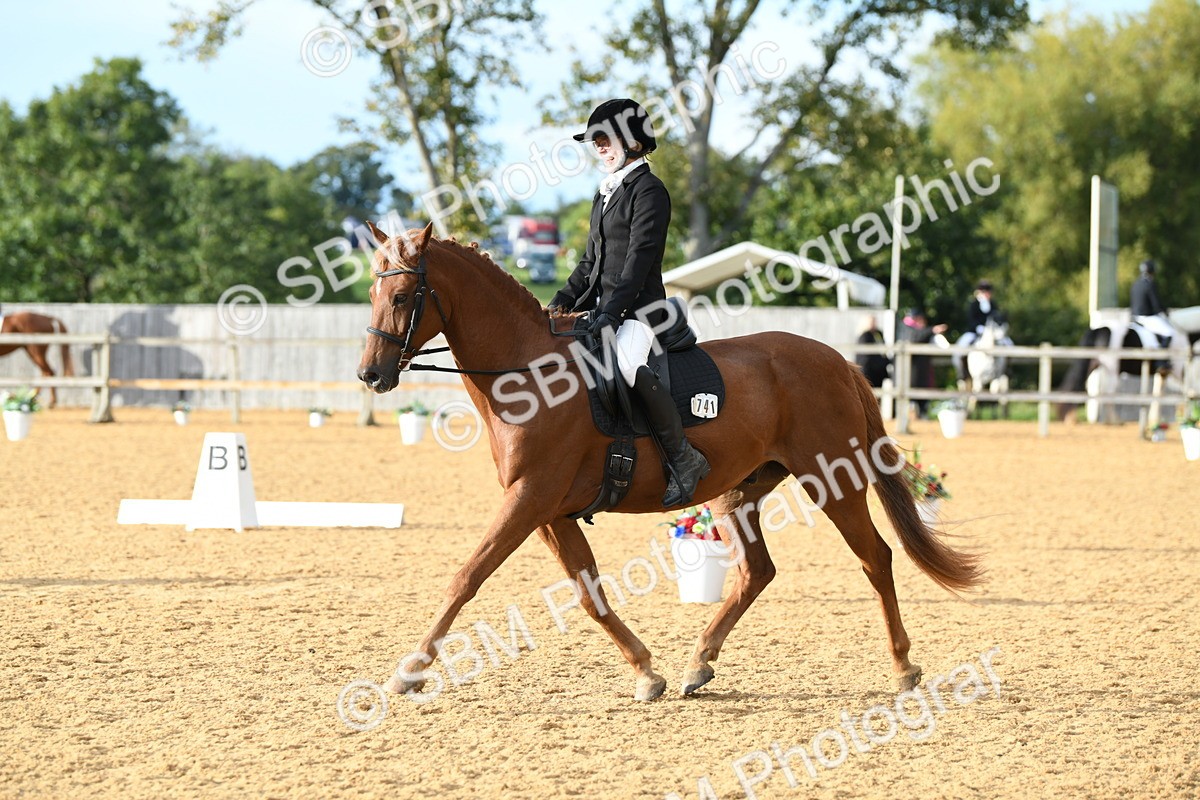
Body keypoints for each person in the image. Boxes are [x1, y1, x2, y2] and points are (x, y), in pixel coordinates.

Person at [548, 98, 709, 508]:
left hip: (640, 311)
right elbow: (589, 263)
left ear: (633, 141)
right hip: (604, 310)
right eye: (595, 141)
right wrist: (558, 304)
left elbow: (638, 262)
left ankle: (684, 459)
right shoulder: (604, 194)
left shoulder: (649, 190)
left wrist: (610, 312)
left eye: (605, 138)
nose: (599, 146)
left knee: (626, 364)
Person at [953, 279, 1012, 382]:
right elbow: (970, 319)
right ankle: (962, 373)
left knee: (1009, 344)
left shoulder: (993, 304)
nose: (986, 294)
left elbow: (997, 319)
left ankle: (1006, 370)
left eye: (988, 291)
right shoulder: (973, 304)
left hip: (992, 334)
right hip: (974, 332)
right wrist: (979, 328)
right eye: (984, 291)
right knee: (961, 347)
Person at [899, 308, 947, 418]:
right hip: (911, 374)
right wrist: (932, 330)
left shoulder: (919, 329)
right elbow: (916, 337)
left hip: (921, 373)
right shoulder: (907, 328)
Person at [1130, 259, 1185, 351]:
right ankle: (1161, 362)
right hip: (1147, 319)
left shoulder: (1135, 283)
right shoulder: (1150, 284)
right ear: (1152, 271)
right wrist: (1166, 312)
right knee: (1169, 333)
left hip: (1135, 317)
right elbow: (1156, 305)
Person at [855, 316, 891, 389]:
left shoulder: (878, 333)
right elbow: (865, 357)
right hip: (868, 371)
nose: (874, 324)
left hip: (879, 371)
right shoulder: (864, 336)